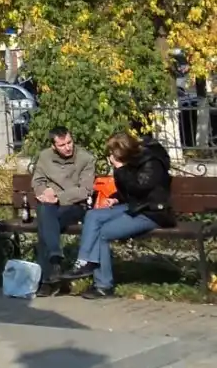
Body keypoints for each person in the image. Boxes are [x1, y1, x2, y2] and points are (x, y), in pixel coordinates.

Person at [64, 132, 174, 298]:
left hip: (152, 212)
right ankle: (84, 261)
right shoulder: (131, 160)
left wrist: (120, 169)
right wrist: (116, 199)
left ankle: (103, 285)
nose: (110, 157)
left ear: (124, 152)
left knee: (102, 233)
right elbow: (128, 192)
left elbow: (140, 188)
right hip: (135, 206)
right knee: (93, 215)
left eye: (112, 154)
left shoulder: (151, 163)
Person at [31, 127, 96, 284]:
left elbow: (85, 190)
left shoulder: (86, 158)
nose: (67, 147)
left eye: (69, 142)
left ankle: (47, 277)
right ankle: (54, 263)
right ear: (53, 146)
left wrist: (57, 197)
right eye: (62, 145)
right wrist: (44, 192)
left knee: (45, 222)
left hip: (75, 206)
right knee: (46, 212)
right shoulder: (45, 156)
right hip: (50, 205)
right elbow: (37, 181)